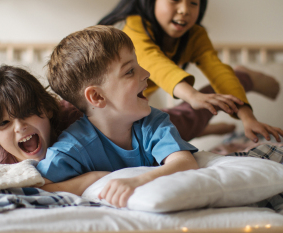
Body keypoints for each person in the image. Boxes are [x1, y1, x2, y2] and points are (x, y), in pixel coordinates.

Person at [99, 0, 283, 143]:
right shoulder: (132, 27)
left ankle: (241, 77)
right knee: (154, 130)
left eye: (194, 2)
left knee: (155, 133)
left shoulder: (195, 36)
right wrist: (192, 96)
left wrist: (248, 118)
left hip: (128, 120)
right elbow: (153, 61)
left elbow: (218, 71)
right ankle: (200, 128)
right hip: (108, 113)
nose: (184, 9)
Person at [36, 25, 199, 208]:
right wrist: (95, 177)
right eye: (130, 71)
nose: (146, 74)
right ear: (97, 96)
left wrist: (136, 181)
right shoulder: (72, 147)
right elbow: (40, 189)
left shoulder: (153, 122)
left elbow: (185, 163)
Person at [0, 65, 103, 196]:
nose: (19, 126)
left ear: (47, 109)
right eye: (4, 123)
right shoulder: (1, 162)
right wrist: (93, 178)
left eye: (27, 112)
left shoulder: (76, 117)